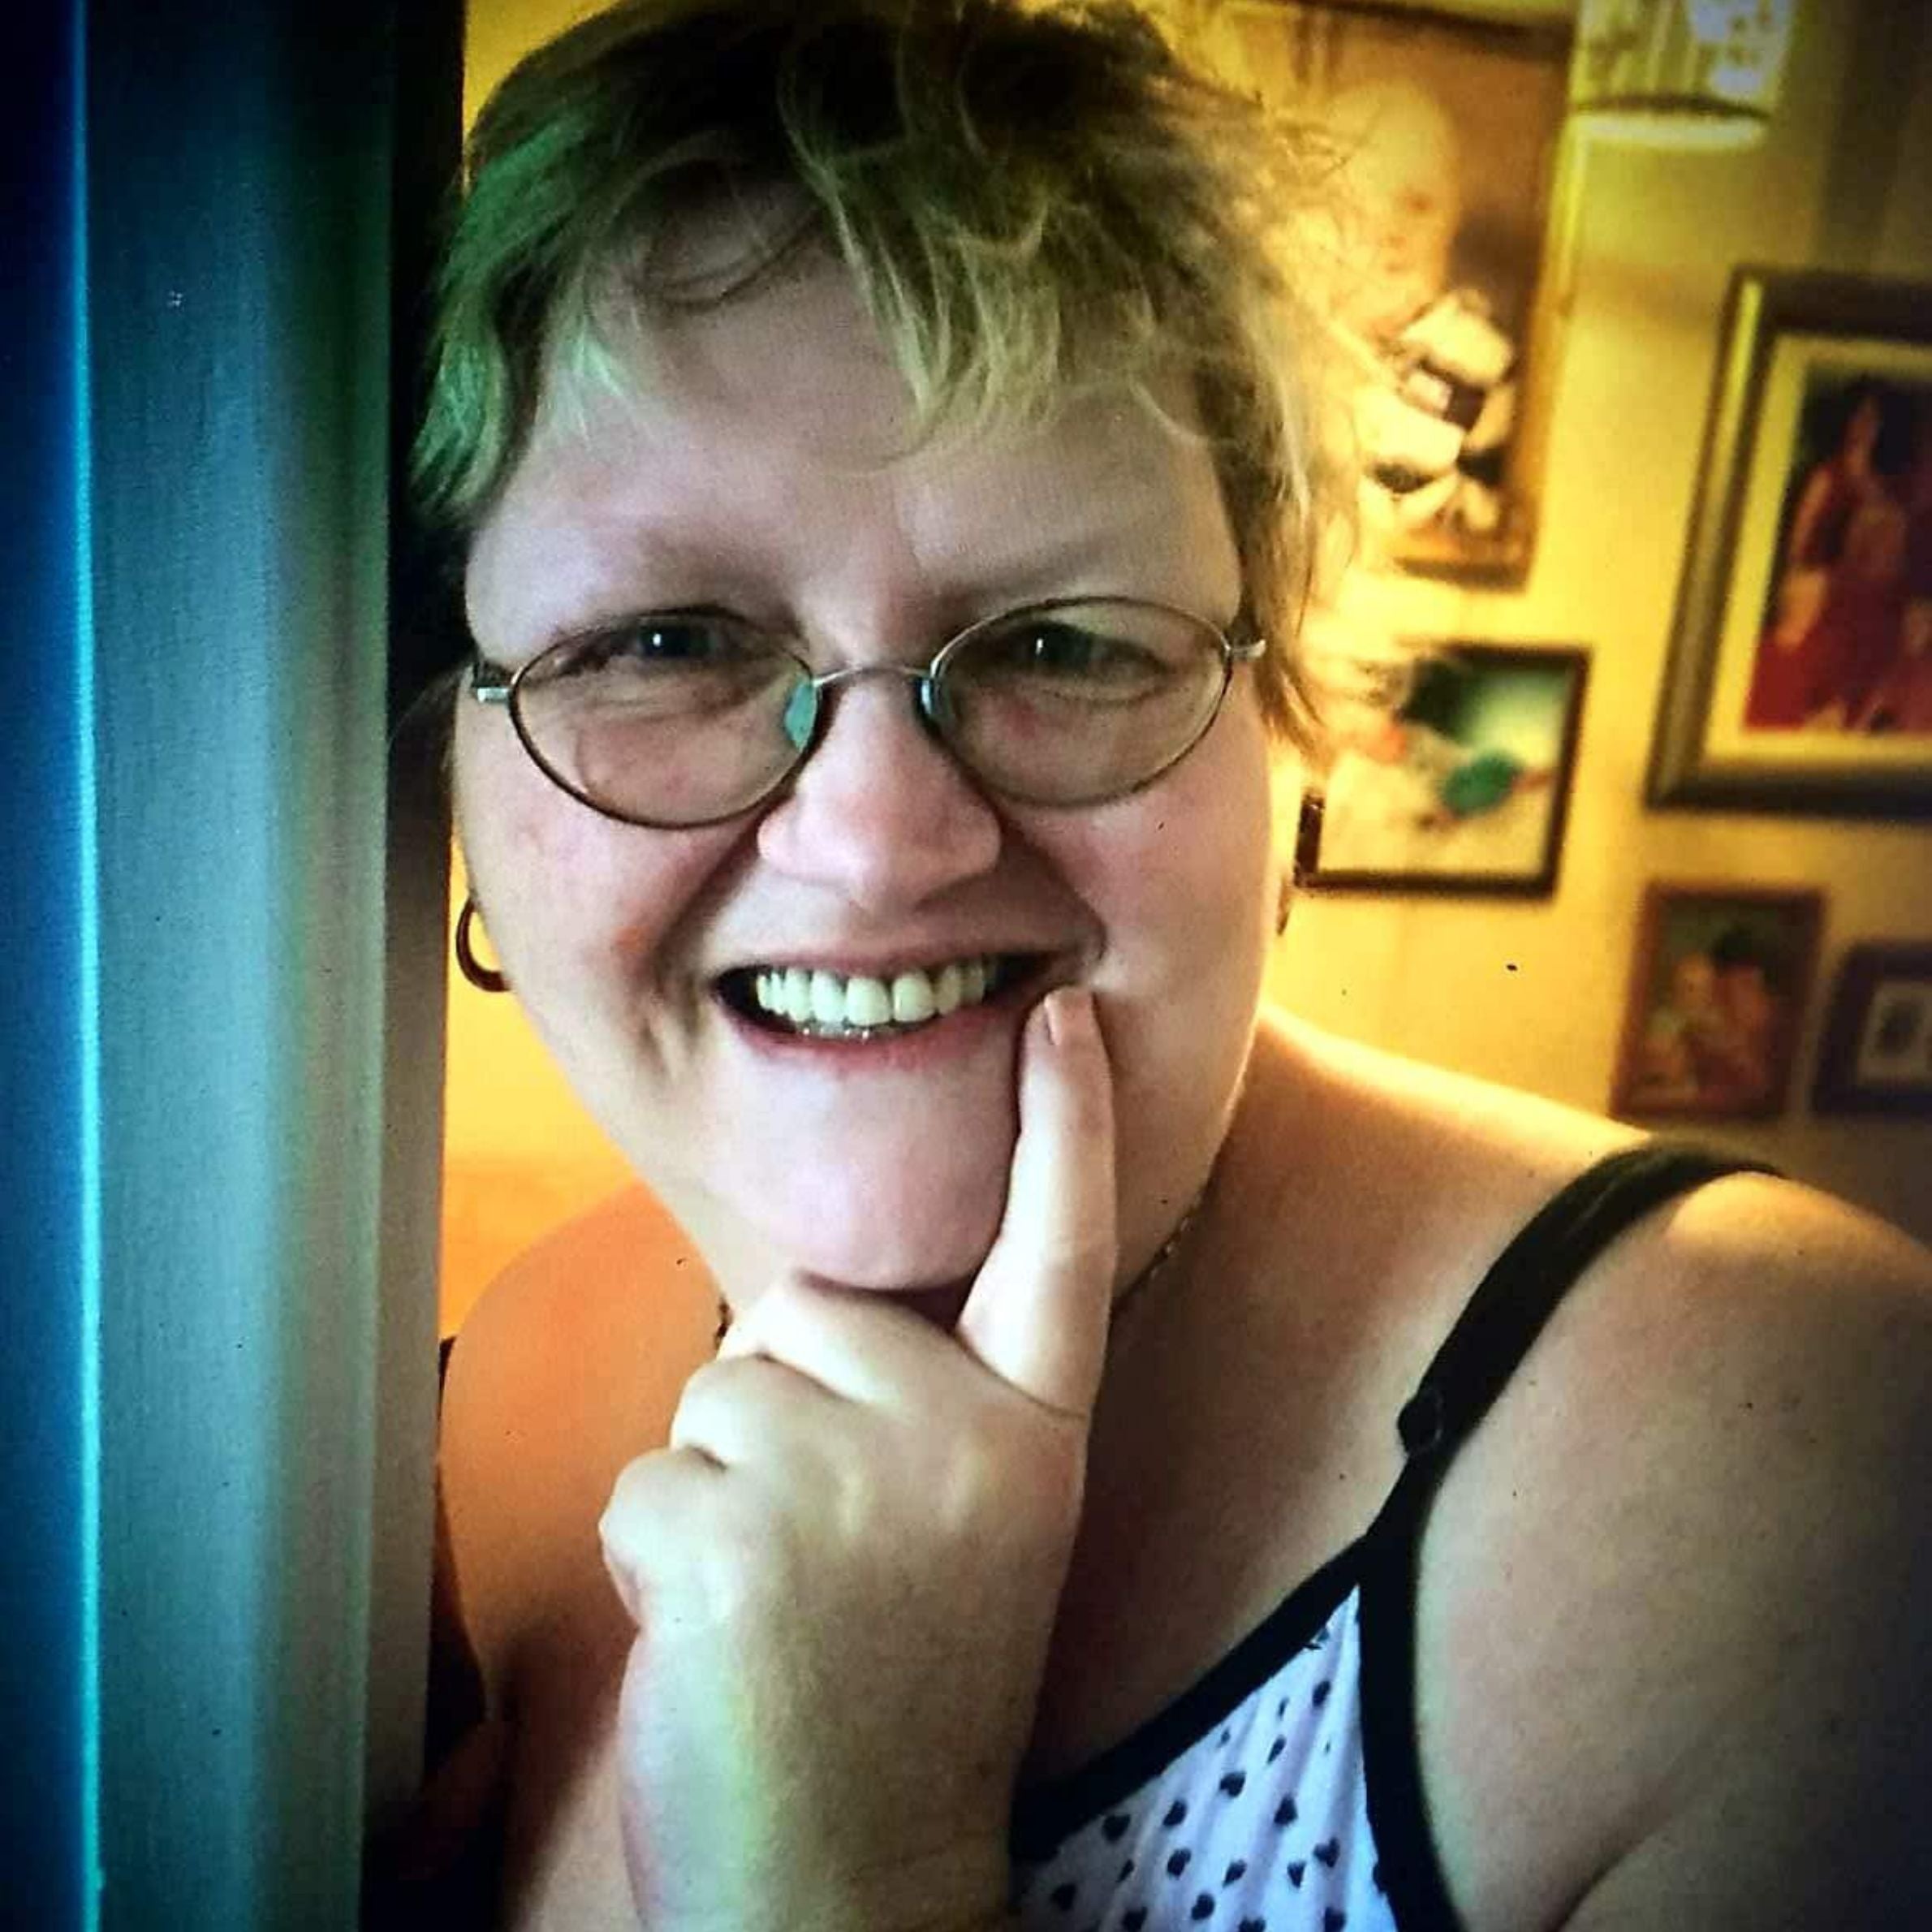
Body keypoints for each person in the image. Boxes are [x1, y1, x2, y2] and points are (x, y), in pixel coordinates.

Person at [390, 4, 1932, 1927]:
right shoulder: (506, 1390)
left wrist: (853, 1875)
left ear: (1289, 738)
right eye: (662, 641)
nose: (876, 839)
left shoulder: (1801, 1493)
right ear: (447, 768)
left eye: (1059, 642)